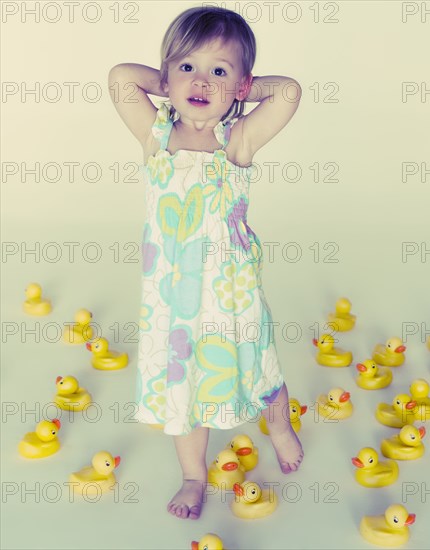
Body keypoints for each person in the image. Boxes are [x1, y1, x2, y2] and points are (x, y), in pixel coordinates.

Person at [108, 6, 303, 520]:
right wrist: (173, 79)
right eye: (188, 67)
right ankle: (194, 475)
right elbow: (121, 78)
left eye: (219, 71)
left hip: (231, 293)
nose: (202, 81)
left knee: (261, 368)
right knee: (184, 389)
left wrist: (242, 88)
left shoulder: (236, 141)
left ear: (238, 85)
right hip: (172, 300)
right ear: (169, 73)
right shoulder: (156, 134)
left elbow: (287, 93)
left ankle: (280, 424)